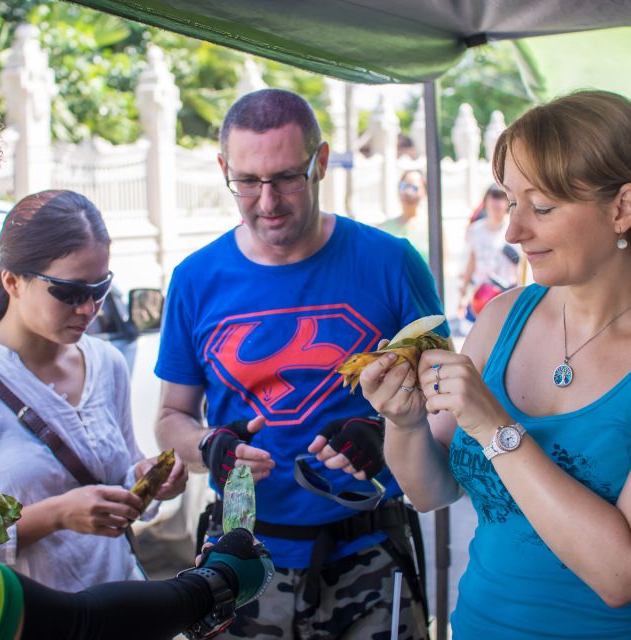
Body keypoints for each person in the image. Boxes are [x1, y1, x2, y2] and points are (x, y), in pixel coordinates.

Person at [0, 59, 274, 640]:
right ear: (13, 281)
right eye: (71, 292)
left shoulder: (104, 362)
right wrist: (58, 515)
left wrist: (146, 483)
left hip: (117, 604)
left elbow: (122, 492)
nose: (89, 309)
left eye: (100, 290)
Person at [155, 87, 448, 639]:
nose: (268, 201)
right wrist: (207, 446)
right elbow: (171, 416)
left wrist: (388, 429)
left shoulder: (392, 262)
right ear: (224, 168)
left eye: (287, 177)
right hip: (240, 560)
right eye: (247, 181)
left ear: (320, 162)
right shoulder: (196, 278)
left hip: (368, 551)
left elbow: (447, 394)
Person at [358, 90, 631, 640]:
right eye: (511, 201)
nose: (513, 232)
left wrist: (495, 427)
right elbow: (431, 491)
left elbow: (618, 575)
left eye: (543, 207)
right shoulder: (503, 315)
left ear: (622, 207)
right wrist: (403, 420)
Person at [458, 183, 521, 321]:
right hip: (480, 295)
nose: (496, 202)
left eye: (501, 197)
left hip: (507, 296)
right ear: (485, 201)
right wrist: (463, 296)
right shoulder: (475, 230)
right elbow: (472, 261)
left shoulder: (515, 229)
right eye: (493, 197)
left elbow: (522, 267)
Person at [379, 169, 430, 260]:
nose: (408, 192)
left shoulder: (433, 228)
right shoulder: (384, 228)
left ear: (424, 191)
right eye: (404, 186)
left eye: (414, 187)